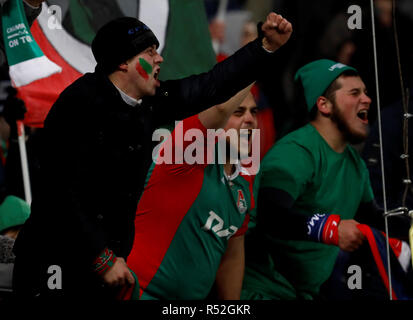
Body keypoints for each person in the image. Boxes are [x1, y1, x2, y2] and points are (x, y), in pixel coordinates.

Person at [12, 14, 293, 298]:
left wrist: (264, 47)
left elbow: (211, 85)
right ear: (123, 62)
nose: (159, 59)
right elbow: (60, 192)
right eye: (149, 52)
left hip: (105, 272)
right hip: (53, 263)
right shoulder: (79, 103)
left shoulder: (149, 104)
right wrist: (102, 257)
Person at [241, 59, 381, 300]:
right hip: (260, 290)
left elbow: (374, 220)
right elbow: (270, 215)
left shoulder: (355, 165)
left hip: (303, 294)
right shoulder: (297, 150)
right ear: (324, 105)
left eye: (366, 92)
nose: (367, 99)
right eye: (355, 92)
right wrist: (332, 229)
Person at [126, 89, 258, 300]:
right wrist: (263, 55)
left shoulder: (243, 182)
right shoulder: (185, 152)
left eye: (254, 111)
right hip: (136, 292)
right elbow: (219, 108)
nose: (250, 119)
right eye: (238, 112)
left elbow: (232, 254)